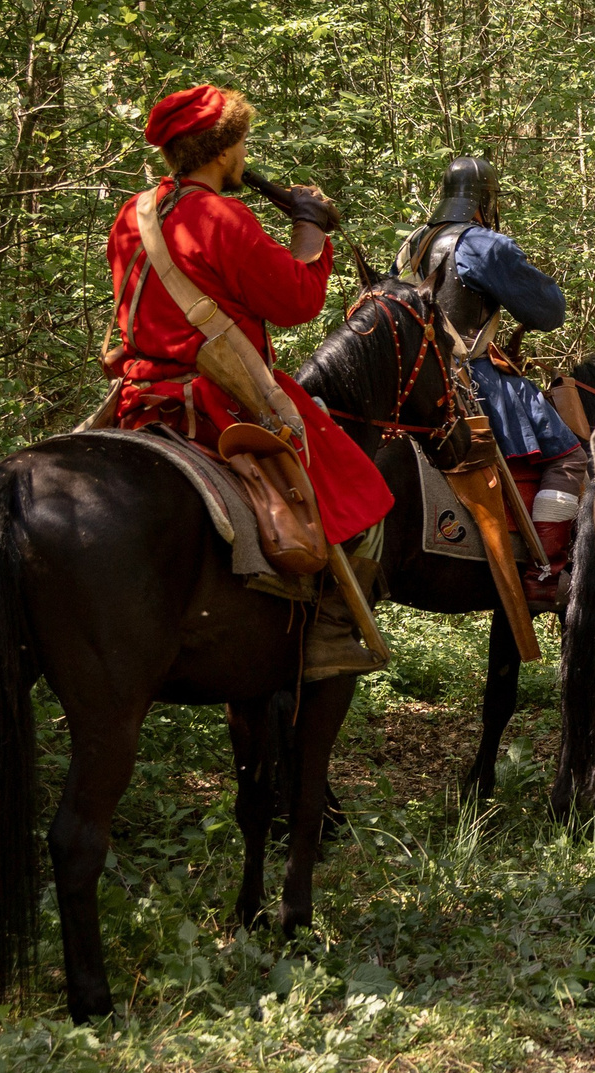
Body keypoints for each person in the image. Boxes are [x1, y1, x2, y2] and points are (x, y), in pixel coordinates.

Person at [104, 84, 393, 678]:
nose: (244, 155)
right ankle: (334, 634)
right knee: (361, 495)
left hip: (139, 400)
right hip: (218, 400)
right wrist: (310, 232)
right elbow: (294, 301)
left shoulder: (131, 216)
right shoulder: (221, 215)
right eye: (241, 143)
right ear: (223, 149)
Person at [396, 158, 582, 574]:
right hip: (469, 381)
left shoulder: (411, 244)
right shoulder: (484, 244)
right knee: (569, 459)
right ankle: (546, 569)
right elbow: (548, 312)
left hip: (411, 384)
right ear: (486, 200)